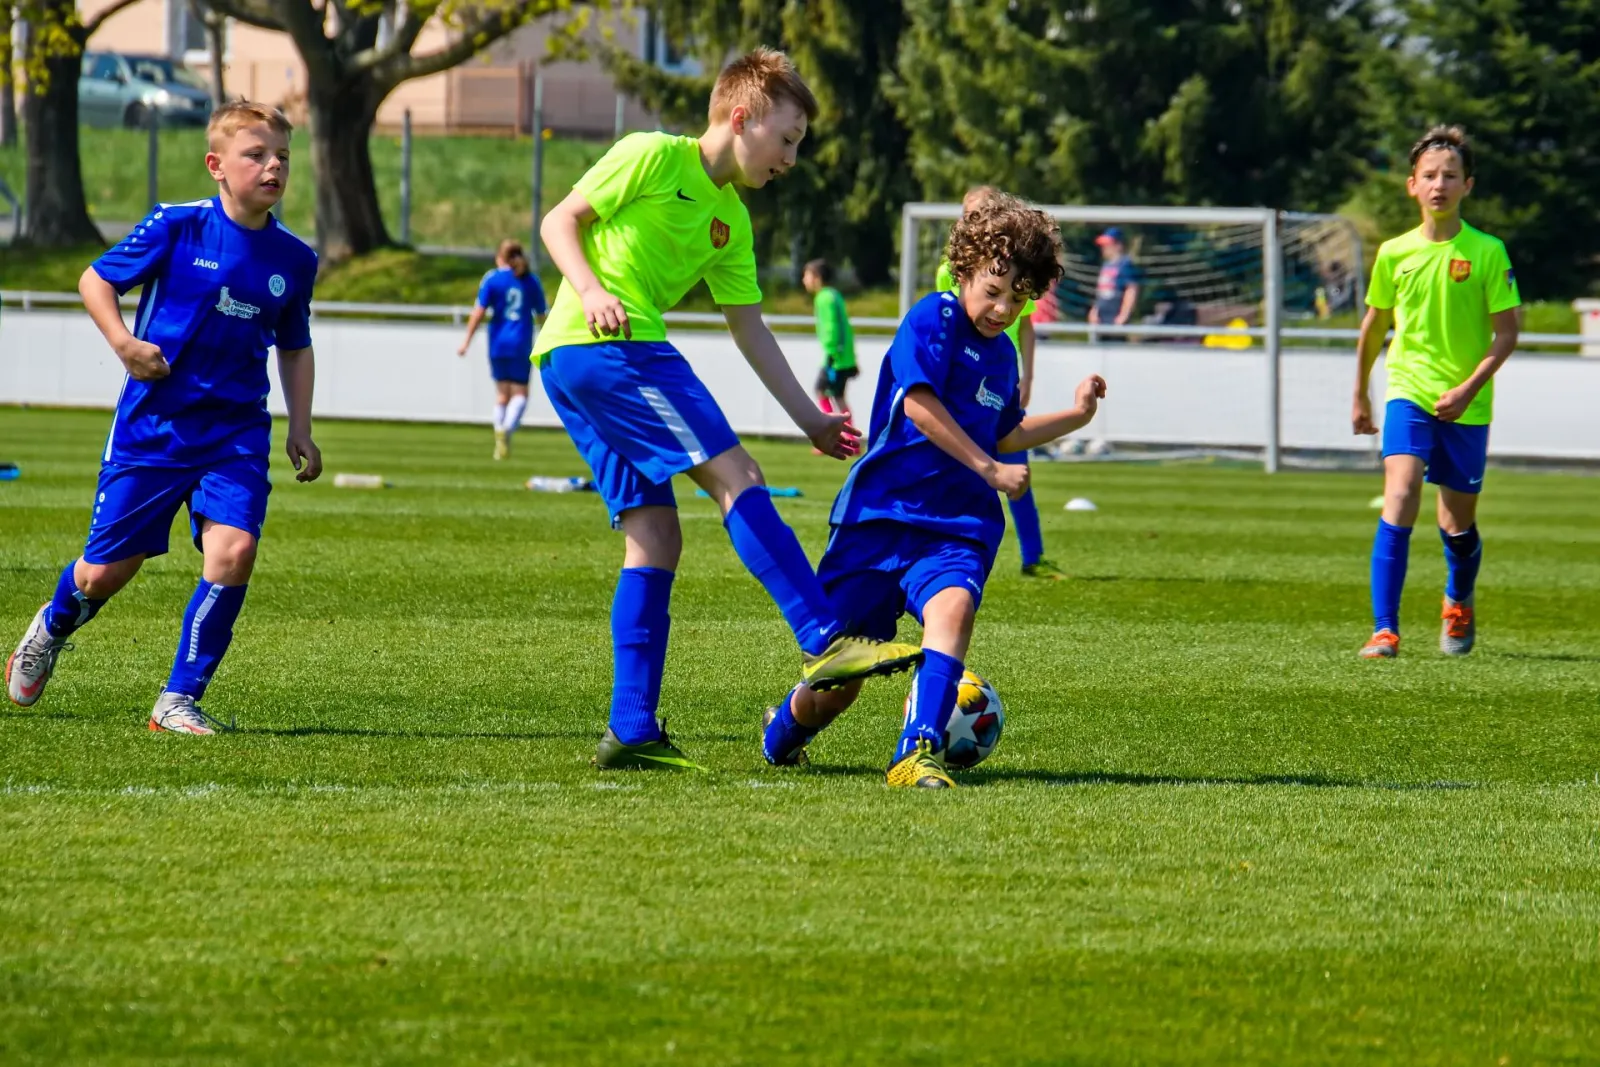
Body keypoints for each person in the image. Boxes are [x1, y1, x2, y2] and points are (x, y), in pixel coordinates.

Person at [534, 48, 923, 771]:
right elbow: (561, 221)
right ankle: (824, 637)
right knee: (737, 475)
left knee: (655, 536)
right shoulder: (652, 154)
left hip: (573, 360)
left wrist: (810, 418)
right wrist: (591, 290)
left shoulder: (731, 221)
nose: (792, 159)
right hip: (611, 346)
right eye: (787, 139)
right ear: (741, 118)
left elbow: (750, 329)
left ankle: (630, 727)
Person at [760, 192, 1108, 788]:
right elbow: (919, 406)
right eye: (994, 290)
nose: (1003, 308)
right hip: (880, 518)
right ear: (965, 269)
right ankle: (782, 735)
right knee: (836, 687)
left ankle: (916, 750)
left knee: (953, 610)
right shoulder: (933, 318)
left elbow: (1006, 430)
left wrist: (1076, 416)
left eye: (1018, 297)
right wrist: (990, 470)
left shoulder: (1002, 357)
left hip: (956, 526)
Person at [4, 102, 322, 733]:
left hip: (235, 433)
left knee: (234, 551)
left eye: (282, 156)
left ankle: (177, 699)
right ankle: (52, 626)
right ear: (216, 165)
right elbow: (95, 281)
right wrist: (124, 344)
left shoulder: (295, 258)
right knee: (104, 573)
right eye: (256, 154)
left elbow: (295, 345)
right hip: (154, 428)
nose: (273, 167)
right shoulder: (177, 226)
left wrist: (301, 426)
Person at [1353, 124, 1520, 659]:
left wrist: (1469, 389)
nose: (1439, 185)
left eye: (1450, 176)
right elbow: (1375, 326)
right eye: (1429, 176)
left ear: (1467, 185)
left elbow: (1507, 333)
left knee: (1457, 525)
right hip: (1409, 389)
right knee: (1401, 492)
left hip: (1467, 403)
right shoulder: (1393, 253)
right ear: (1412, 185)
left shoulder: (1488, 251)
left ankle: (1458, 598)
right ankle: (1385, 630)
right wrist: (1360, 394)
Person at [935, 186, 1062, 580]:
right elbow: (946, 323)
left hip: (1001, 381)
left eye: (985, 212)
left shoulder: (1017, 270)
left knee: (1017, 466)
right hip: (964, 383)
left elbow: (1026, 327)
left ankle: (1033, 555)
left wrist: (1028, 376)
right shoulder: (949, 272)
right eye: (970, 213)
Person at [457, 239, 548, 460]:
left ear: (500, 257)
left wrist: (466, 341)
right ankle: (506, 430)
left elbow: (478, 312)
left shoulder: (492, 279)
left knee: (501, 395)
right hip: (521, 341)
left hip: (497, 342)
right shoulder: (530, 280)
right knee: (520, 394)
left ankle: (499, 430)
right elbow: (541, 315)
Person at [803, 258, 857, 417]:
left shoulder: (824, 298)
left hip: (835, 358)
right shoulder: (834, 294)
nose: (804, 280)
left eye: (806, 275)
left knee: (821, 391)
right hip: (843, 356)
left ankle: (833, 427)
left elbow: (831, 325)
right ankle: (843, 429)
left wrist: (832, 352)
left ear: (817, 277)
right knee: (837, 396)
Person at [1089, 227, 1140, 341]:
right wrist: (1094, 311)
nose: (1104, 248)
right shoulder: (1106, 265)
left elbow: (1131, 290)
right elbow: (1101, 292)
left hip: (1115, 318)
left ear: (1118, 245)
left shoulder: (1125, 264)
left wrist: (1123, 315)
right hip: (1101, 319)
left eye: (1108, 244)